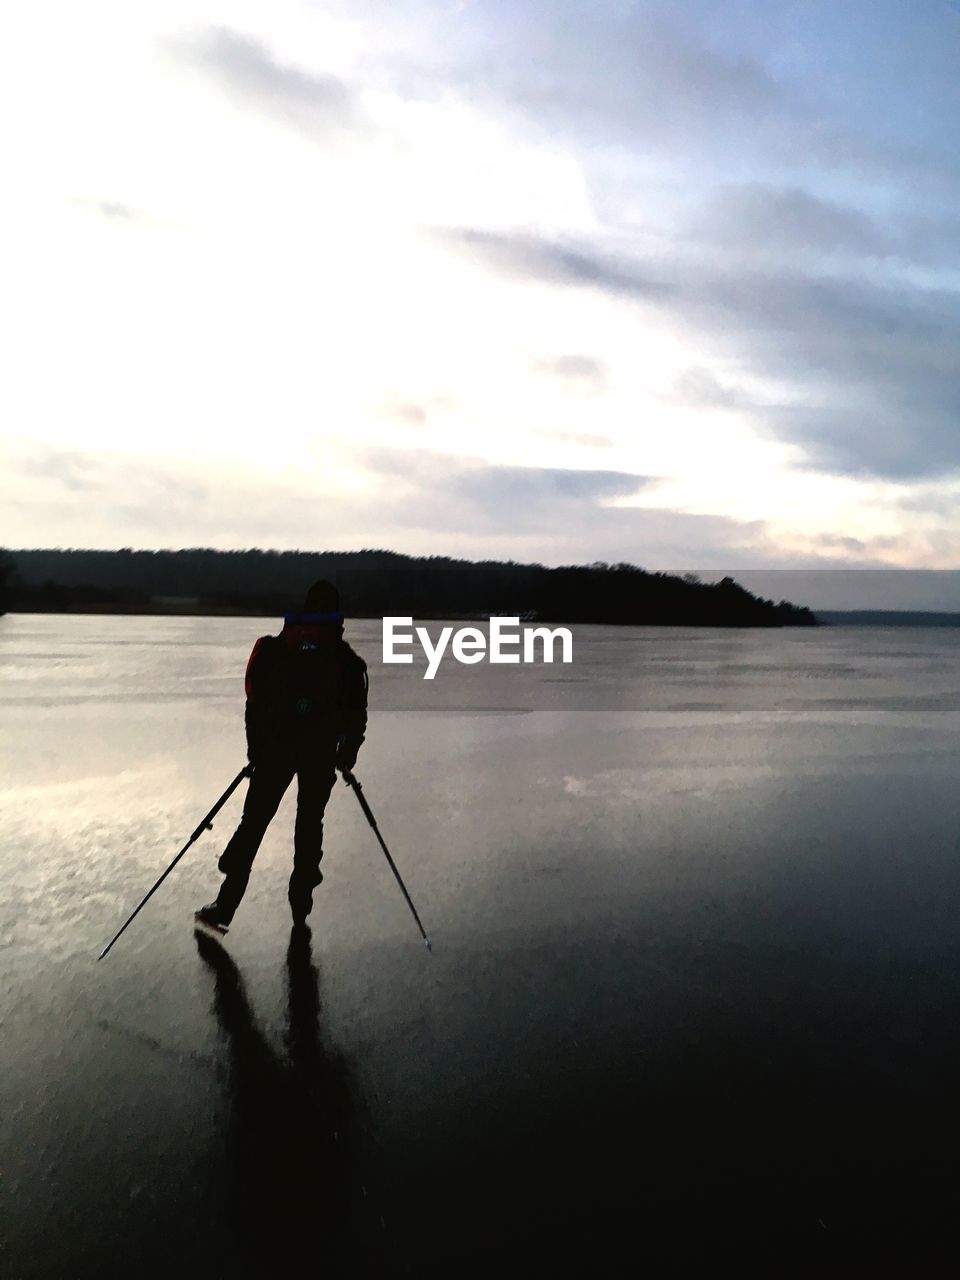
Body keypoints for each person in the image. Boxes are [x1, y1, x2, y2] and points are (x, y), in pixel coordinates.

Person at [196, 580, 368, 931]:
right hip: (319, 756)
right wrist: (346, 755)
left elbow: (254, 701)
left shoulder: (275, 649)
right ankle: (300, 908)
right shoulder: (347, 661)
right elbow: (356, 715)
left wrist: (256, 750)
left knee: (254, 823)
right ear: (338, 616)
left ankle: (224, 906)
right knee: (308, 828)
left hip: (275, 750)